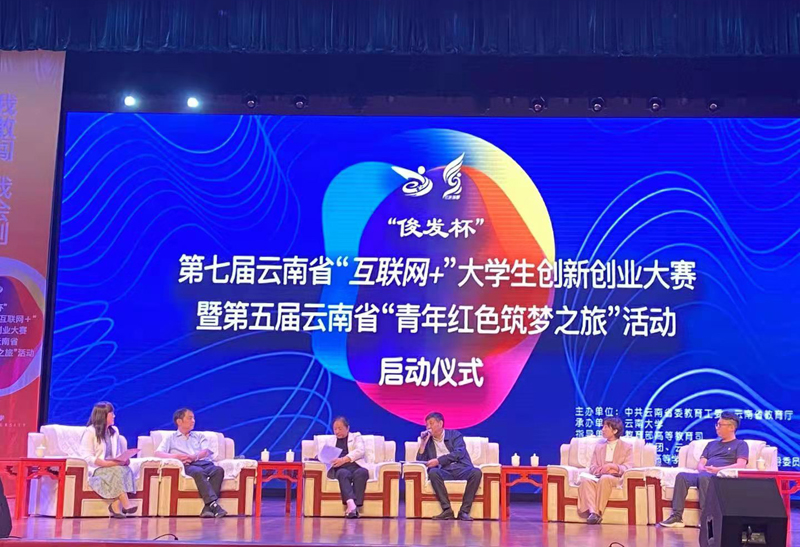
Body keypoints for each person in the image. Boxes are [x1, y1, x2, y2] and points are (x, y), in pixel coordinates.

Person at [659, 411, 749, 528]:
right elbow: (701, 464)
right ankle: (677, 517)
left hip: (721, 477)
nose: (717, 427)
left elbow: (740, 465)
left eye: (720, 425)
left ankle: (707, 518)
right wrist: (703, 469)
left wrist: (717, 470)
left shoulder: (740, 444)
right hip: (705, 474)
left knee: (704, 477)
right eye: (717, 424)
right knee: (682, 476)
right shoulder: (711, 444)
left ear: (731, 427)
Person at [154, 408, 227, 518]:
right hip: (187, 465)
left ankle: (208, 508)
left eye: (193, 418)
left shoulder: (199, 436)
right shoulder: (171, 438)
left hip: (202, 462)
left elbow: (206, 451)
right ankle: (214, 505)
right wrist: (176, 457)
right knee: (198, 472)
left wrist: (194, 457)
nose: (193, 421)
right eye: (190, 418)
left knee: (218, 470)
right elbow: (158, 453)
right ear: (179, 421)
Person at [416, 411, 482, 521]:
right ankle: (447, 510)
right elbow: (420, 462)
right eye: (427, 425)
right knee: (433, 472)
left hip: (460, 468)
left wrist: (438, 461)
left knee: (476, 472)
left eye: (431, 423)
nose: (428, 427)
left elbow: (459, 453)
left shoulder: (455, 435)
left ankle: (464, 511)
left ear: (440, 423)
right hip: (444, 471)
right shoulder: (428, 441)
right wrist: (423, 443)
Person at [79, 401, 137, 518]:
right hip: (98, 468)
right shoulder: (90, 432)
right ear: (103, 415)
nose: (114, 416)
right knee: (117, 471)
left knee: (125, 470)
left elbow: (117, 454)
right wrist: (104, 463)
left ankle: (115, 506)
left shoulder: (114, 431)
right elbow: (86, 456)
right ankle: (126, 504)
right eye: (112, 414)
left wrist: (125, 460)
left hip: (113, 465)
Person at [577, 416, 634, 524]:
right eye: (602, 427)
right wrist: (600, 470)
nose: (602, 429)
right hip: (599, 476)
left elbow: (628, 467)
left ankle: (598, 512)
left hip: (616, 478)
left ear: (615, 430)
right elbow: (592, 466)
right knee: (586, 481)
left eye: (606, 427)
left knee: (605, 478)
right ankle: (593, 513)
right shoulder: (599, 447)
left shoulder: (627, 447)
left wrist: (614, 467)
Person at [322, 416, 370, 518]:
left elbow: (360, 451)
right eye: (335, 429)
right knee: (343, 473)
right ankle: (351, 504)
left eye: (340, 429)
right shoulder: (330, 441)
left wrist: (343, 459)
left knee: (362, 472)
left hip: (355, 465)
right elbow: (325, 455)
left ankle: (353, 507)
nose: (337, 432)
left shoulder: (356, 437)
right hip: (340, 468)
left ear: (347, 428)